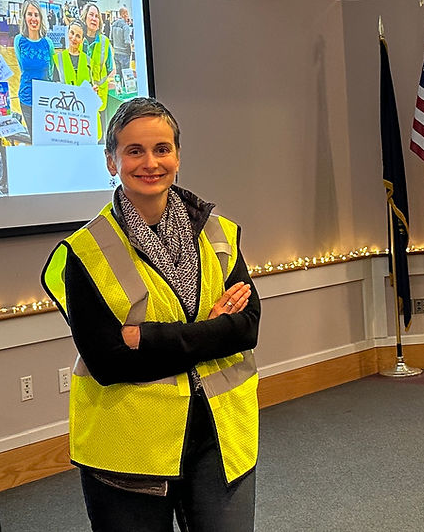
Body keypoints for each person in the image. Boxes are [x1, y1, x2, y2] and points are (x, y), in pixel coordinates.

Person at [41, 97, 260, 531]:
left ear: (178, 156)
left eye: (162, 149)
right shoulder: (85, 253)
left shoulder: (219, 232)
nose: (150, 163)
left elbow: (247, 327)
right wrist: (211, 330)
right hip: (128, 451)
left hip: (219, 436)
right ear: (111, 161)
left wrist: (146, 338)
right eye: (134, 151)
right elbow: (107, 361)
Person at [14, 0, 56, 139]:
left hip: (45, 100)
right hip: (26, 98)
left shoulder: (47, 43)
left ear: (41, 17)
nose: (33, 18)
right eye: (29, 14)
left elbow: (51, 71)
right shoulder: (19, 41)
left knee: (47, 138)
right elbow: (22, 66)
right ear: (24, 17)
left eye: (36, 14)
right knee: (34, 139)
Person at [56, 19, 104, 141]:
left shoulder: (89, 61)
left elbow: (93, 85)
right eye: (72, 33)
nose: (74, 38)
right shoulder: (57, 59)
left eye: (78, 36)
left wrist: (94, 90)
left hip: (85, 118)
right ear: (67, 33)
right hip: (66, 117)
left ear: (82, 40)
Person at [81, 2, 114, 137]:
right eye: (91, 15)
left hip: (99, 96)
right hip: (81, 94)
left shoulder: (105, 42)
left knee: (100, 136)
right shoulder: (78, 39)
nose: (94, 19)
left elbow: (110, 68)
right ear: (85, 18)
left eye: (97, 16)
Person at [110, 6, 132, 86]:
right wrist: (129, 52)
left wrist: (115, 48)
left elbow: (111, 39)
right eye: (127, 14)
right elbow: (127, 42)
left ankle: (119, 90)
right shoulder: (125, 27)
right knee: (126, 76)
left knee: (118, 74)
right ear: (124, 14)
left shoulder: (113, 25)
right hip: (124, 54)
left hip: (116, 53)